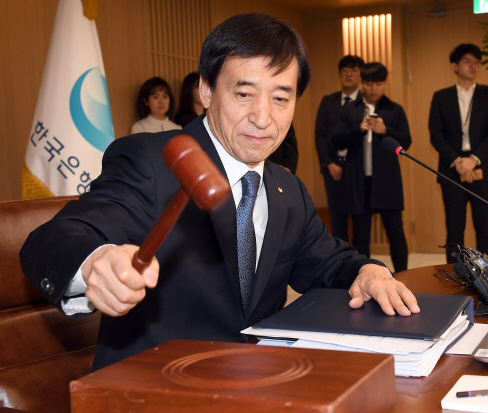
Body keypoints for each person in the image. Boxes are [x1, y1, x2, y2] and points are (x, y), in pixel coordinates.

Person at [20, 13, 419, 371]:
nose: (263, 117)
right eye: (244, 94)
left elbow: (329, 261)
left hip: (262, 382)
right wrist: (96, 261)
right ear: (206, 90)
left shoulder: (286, 187)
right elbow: (53, 238)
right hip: (155, 388)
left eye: (281, 98)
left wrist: (368, 271)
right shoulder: (152, 161)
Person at [428, 43, 488, 263]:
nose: (474, 66)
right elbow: (436, 134)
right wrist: (458, 161)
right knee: (454, 230)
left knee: (485, 229)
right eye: (467, 61)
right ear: (454, 65)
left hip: (484, 167)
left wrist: (473, 160)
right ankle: (454, 278)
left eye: (477, 62)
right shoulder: (441, 97)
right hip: (452, 170)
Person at [332, 62, 411, 273]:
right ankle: (364, 277)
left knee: (396, 232)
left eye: (378, 83)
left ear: (385, 83)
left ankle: (404, 276)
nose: (373, 88)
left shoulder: (394, 109)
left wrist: (386, 130)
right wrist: (358, 129)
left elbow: (406, 142)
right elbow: (336, 140)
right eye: (368, 83)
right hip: (359, 182)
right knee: (360, 236)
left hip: (387, 182)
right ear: (362, 83)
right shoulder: (350, 109)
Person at [315, 55, 364, 242]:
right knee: (337, 219)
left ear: (360, 75)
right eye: (344, 71)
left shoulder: (366, 102)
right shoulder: (328, 101)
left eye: (353, 71)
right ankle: (342, 265)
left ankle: (362, 264)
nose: (348, 74)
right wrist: (329, 164)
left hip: (358, 169)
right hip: (332, 168)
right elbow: (319, 135)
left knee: (360, 221)